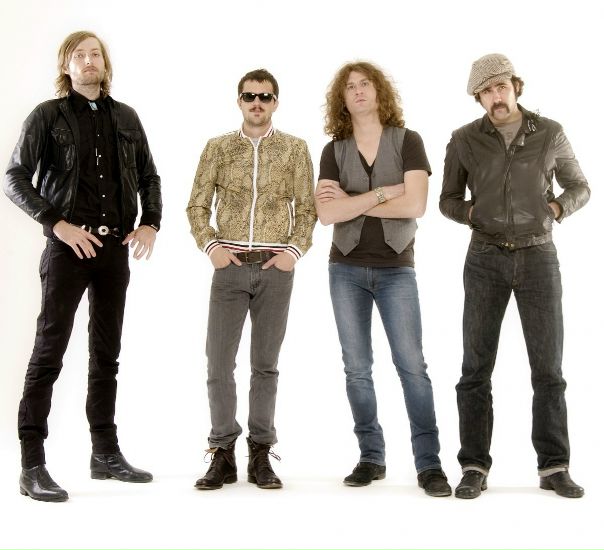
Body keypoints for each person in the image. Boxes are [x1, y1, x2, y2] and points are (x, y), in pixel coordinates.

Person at [4, 30, 162, 502]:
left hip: (114, 249)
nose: (89, 60)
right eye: (79, 55)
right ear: (66, 66)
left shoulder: (127, 117)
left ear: (105, 64)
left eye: (96, 54)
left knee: (106, 354)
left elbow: (149, 175)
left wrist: (150, 222)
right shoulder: (47, 116)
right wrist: (58, 224)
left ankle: (105, 453)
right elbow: (14, 177)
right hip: (67, 250)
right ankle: (32, 465)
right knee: (48, 353)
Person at [440, 53, 589, 499]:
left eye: (501, 86)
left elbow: (580, 186)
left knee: (548, 369)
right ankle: (473, 466)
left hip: (539, 257)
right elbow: (448, 199)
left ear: (515, 86)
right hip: (484, 258)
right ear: (479, 98)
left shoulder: (549, 132)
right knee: (475, 368)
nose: (496, 96)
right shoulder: (464, 139)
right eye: (486, 91)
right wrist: (472, 213)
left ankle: (554, 466)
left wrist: (555, 208)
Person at [315, 61, 450, 497]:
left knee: (412, 367)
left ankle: (429, 464)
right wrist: (383, 192)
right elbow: (327, 214)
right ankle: (371, 457)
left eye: (365, 84)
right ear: (342, 99)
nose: (358, 91)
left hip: (397, 269)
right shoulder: (333, 150)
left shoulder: (408, 141)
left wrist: (353, 201)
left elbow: (416, 206)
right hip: (345, 268)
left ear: (379, 92)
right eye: (349, 87)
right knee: (357, 369)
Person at [187, 68, 316, 490]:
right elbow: (197, 205)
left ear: (275, 102)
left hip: (275, 269)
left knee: (265, 365)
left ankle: (260, 452)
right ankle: (222, 452)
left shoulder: (295, 149)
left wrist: (292, 253)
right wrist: (211, 247)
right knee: (218, 363)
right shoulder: (218, 147)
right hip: (229, 268)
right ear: (239, 100)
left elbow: (308, 208)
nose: (257, 103)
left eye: (265, 96)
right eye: (249, 96)